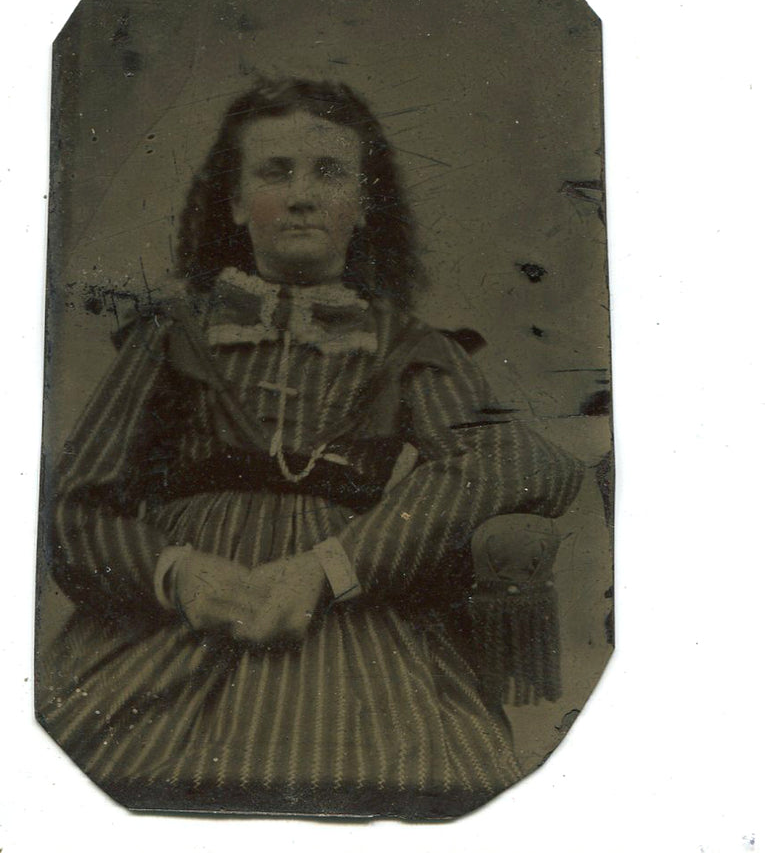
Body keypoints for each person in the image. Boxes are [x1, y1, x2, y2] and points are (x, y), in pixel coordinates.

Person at [39, 79, 583, 817]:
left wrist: (333, 568)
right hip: (170, 629)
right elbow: (76, 508)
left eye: (328, 173)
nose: (300, 196)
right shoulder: (172, 337)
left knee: (411, 777)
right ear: (233, 204)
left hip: (349, 626)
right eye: (274, 172)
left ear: (362, 206)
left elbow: (515, 460)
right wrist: (178, 574)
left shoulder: (407, 347)